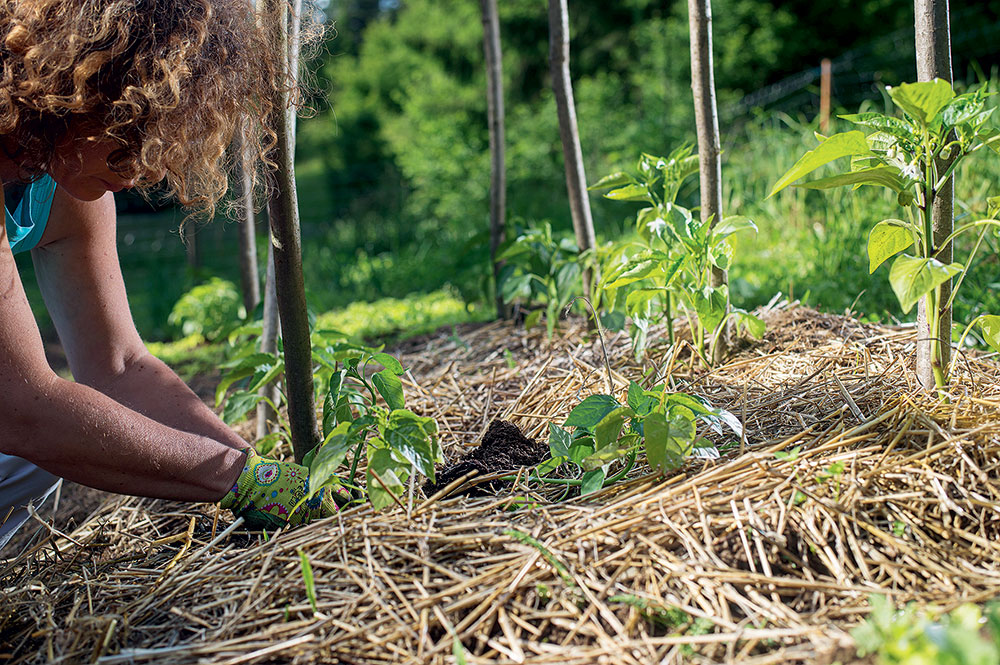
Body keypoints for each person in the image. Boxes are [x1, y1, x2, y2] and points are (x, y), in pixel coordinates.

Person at [0, 0, 344, 550]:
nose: (153, 167)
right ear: (79, 94)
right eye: (135, 133)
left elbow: (119, 366)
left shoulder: (60, 185)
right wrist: (235, 480)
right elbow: (21, 408)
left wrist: (253, 469)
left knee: (27, 463)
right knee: (33, 441)